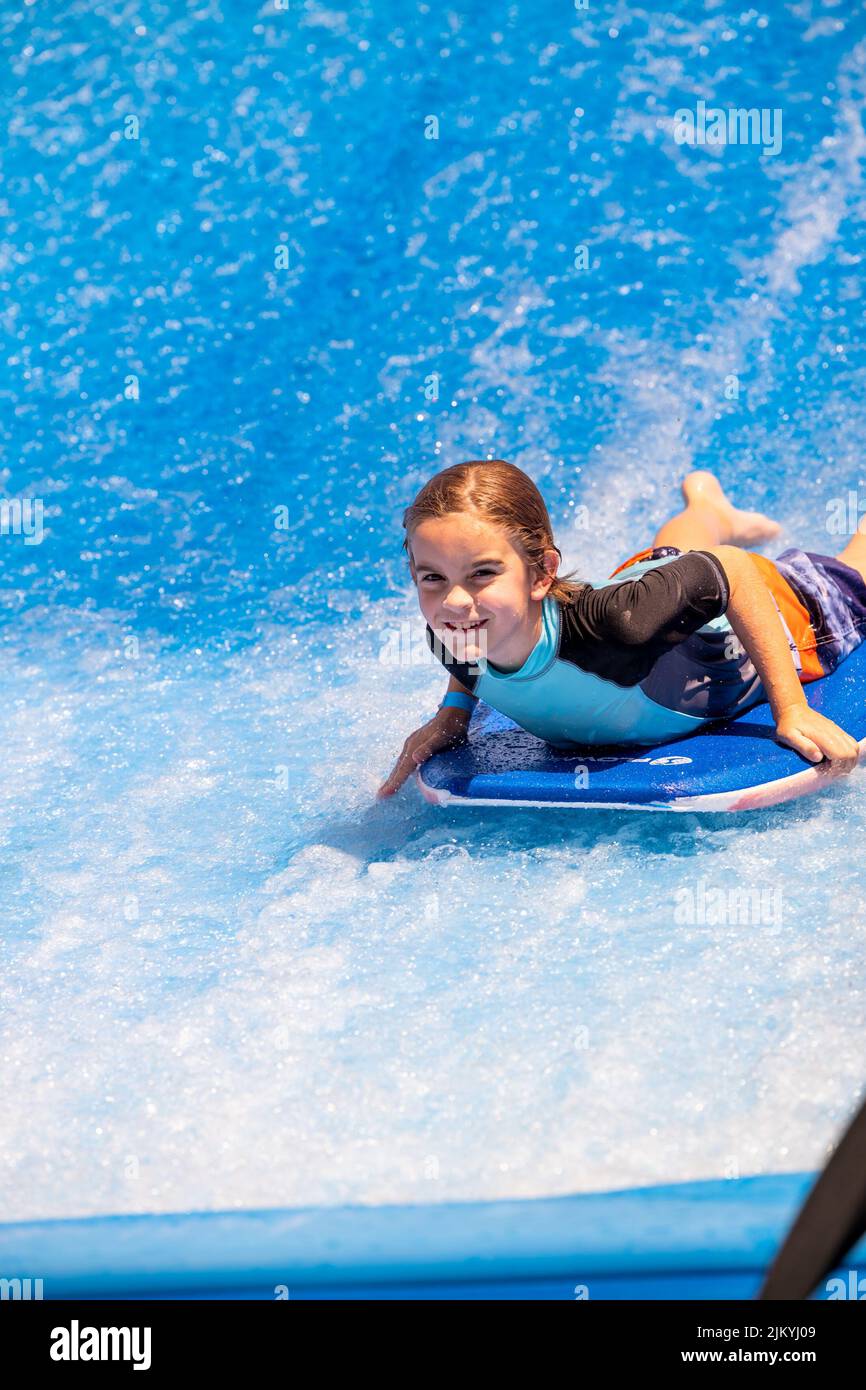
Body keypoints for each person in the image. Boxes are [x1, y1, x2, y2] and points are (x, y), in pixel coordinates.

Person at [377, 460, 864, 798]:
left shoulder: (615, 627)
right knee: (672, 561)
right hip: (650, 581)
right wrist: (454, 713)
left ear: (542, 574)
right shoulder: (453, 629)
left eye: (482, 572)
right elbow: (466, 653)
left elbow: (732, 570)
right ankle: (708, 511)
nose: (455, 601)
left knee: (856, 571)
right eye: (432, 577)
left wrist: (792, 707)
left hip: (771, 608)